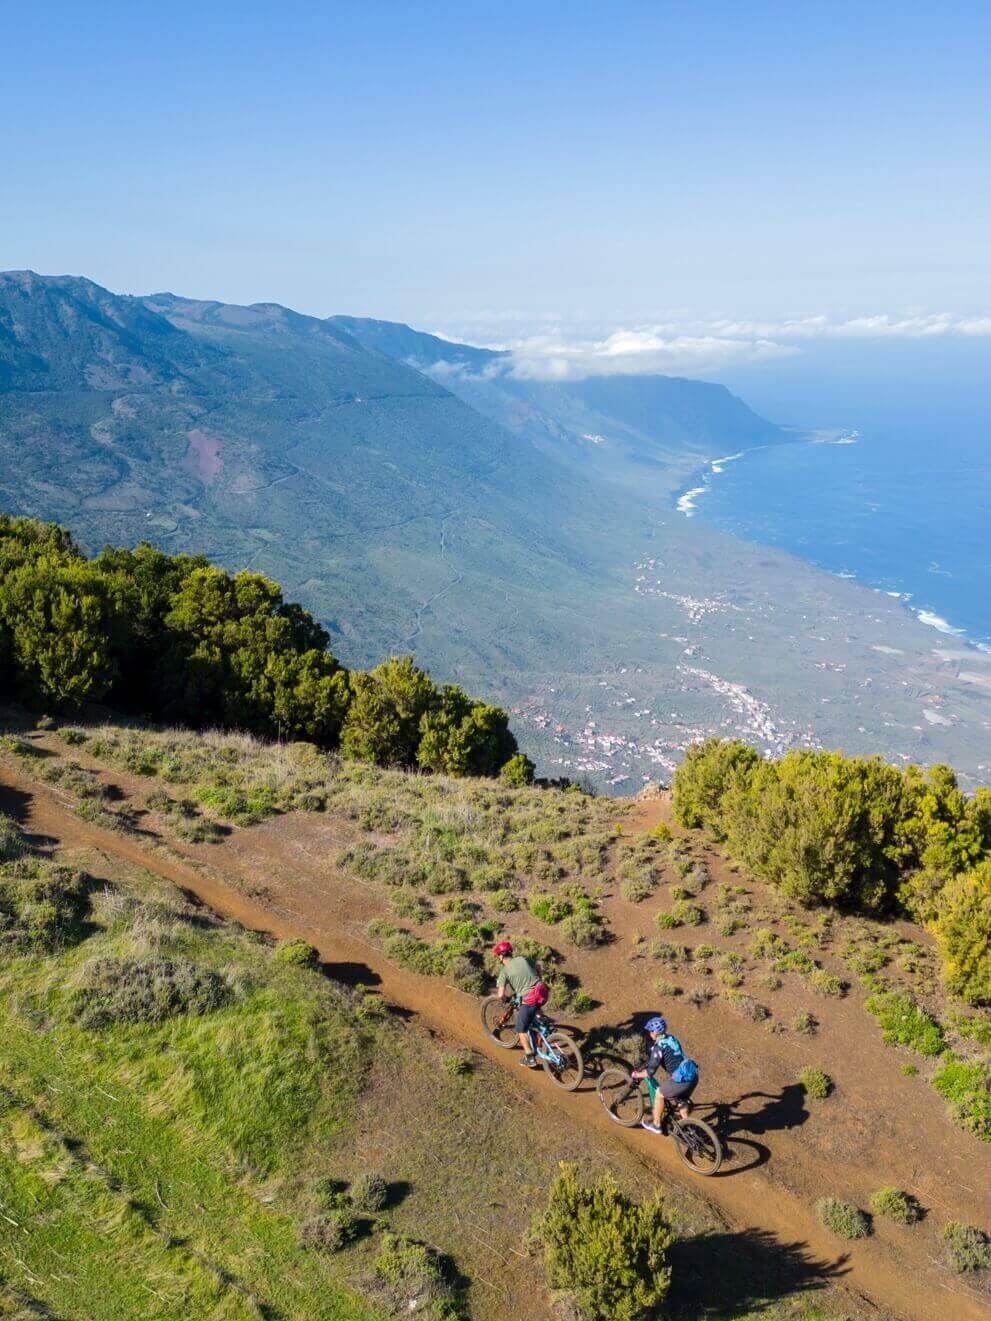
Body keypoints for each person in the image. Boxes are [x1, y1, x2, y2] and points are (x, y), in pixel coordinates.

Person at [631, 1015, 699, 1133]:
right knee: (681, 1100)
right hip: (693, 1075)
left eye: (651, 1031)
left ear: (655, 1033)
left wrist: (637, 1075)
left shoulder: (658, 1047)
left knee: (659, 1094)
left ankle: (656, 1125)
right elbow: (660, 1058)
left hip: (682, 1080)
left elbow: (650, 1072)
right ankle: (688, 1127)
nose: (649, 1033)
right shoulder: (672, 1039)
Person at [493, 940, 549, 1068]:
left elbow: (500, 995)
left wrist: (506, 999)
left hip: (530, 998)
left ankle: (530, 1058)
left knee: (521, 1029)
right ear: (510, 952)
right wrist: (537, 978)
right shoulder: (523, 959)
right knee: (535, 1006)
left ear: (501, 956)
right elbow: (538, 967)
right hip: (542, 990)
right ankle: (544, 1023)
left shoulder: (504, 971)